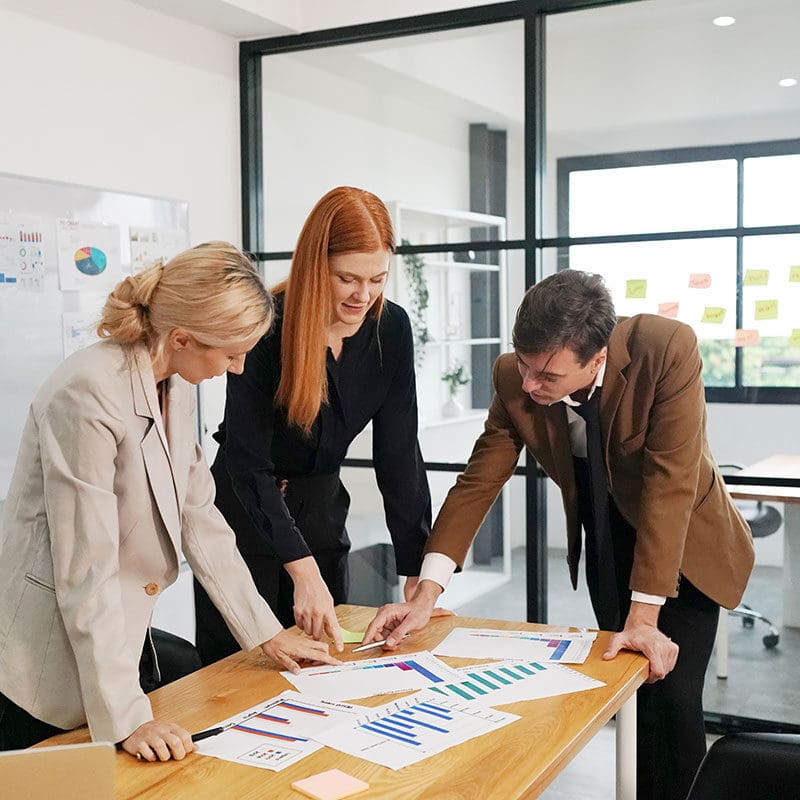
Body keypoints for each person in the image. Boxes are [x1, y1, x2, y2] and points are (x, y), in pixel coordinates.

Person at [364, 270, 755, 800]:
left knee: (674, 697)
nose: (528, 384)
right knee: (627, 690)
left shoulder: (664, 349)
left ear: (597, 357)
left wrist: (644, 617)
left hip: (683, 543)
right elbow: (481, 478)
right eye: (523, 364)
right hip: (605, 536)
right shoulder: (516, 377)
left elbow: (670, 487)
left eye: (546, 374)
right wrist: (426, 593)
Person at [0, 242, 339, 760]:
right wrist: (127, 721)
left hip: (116, 635)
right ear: (182, 338)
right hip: (46, 659)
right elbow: (83, 568)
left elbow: (200, 517)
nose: (240, 368)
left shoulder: (172, 382)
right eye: (231, 353)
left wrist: (267, 633)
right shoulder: (86, 393)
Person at [193, 187, 437, 666]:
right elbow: (247, 464)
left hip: (321, 512)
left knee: (327, 665)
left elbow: (399, 454)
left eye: (377, 279)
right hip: (245, 517)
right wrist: (303, 575)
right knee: (241, 670)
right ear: (314, 265)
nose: (363, 295)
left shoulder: (391, 329)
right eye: (347, 278)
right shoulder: (267, 326)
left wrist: (415, 566)